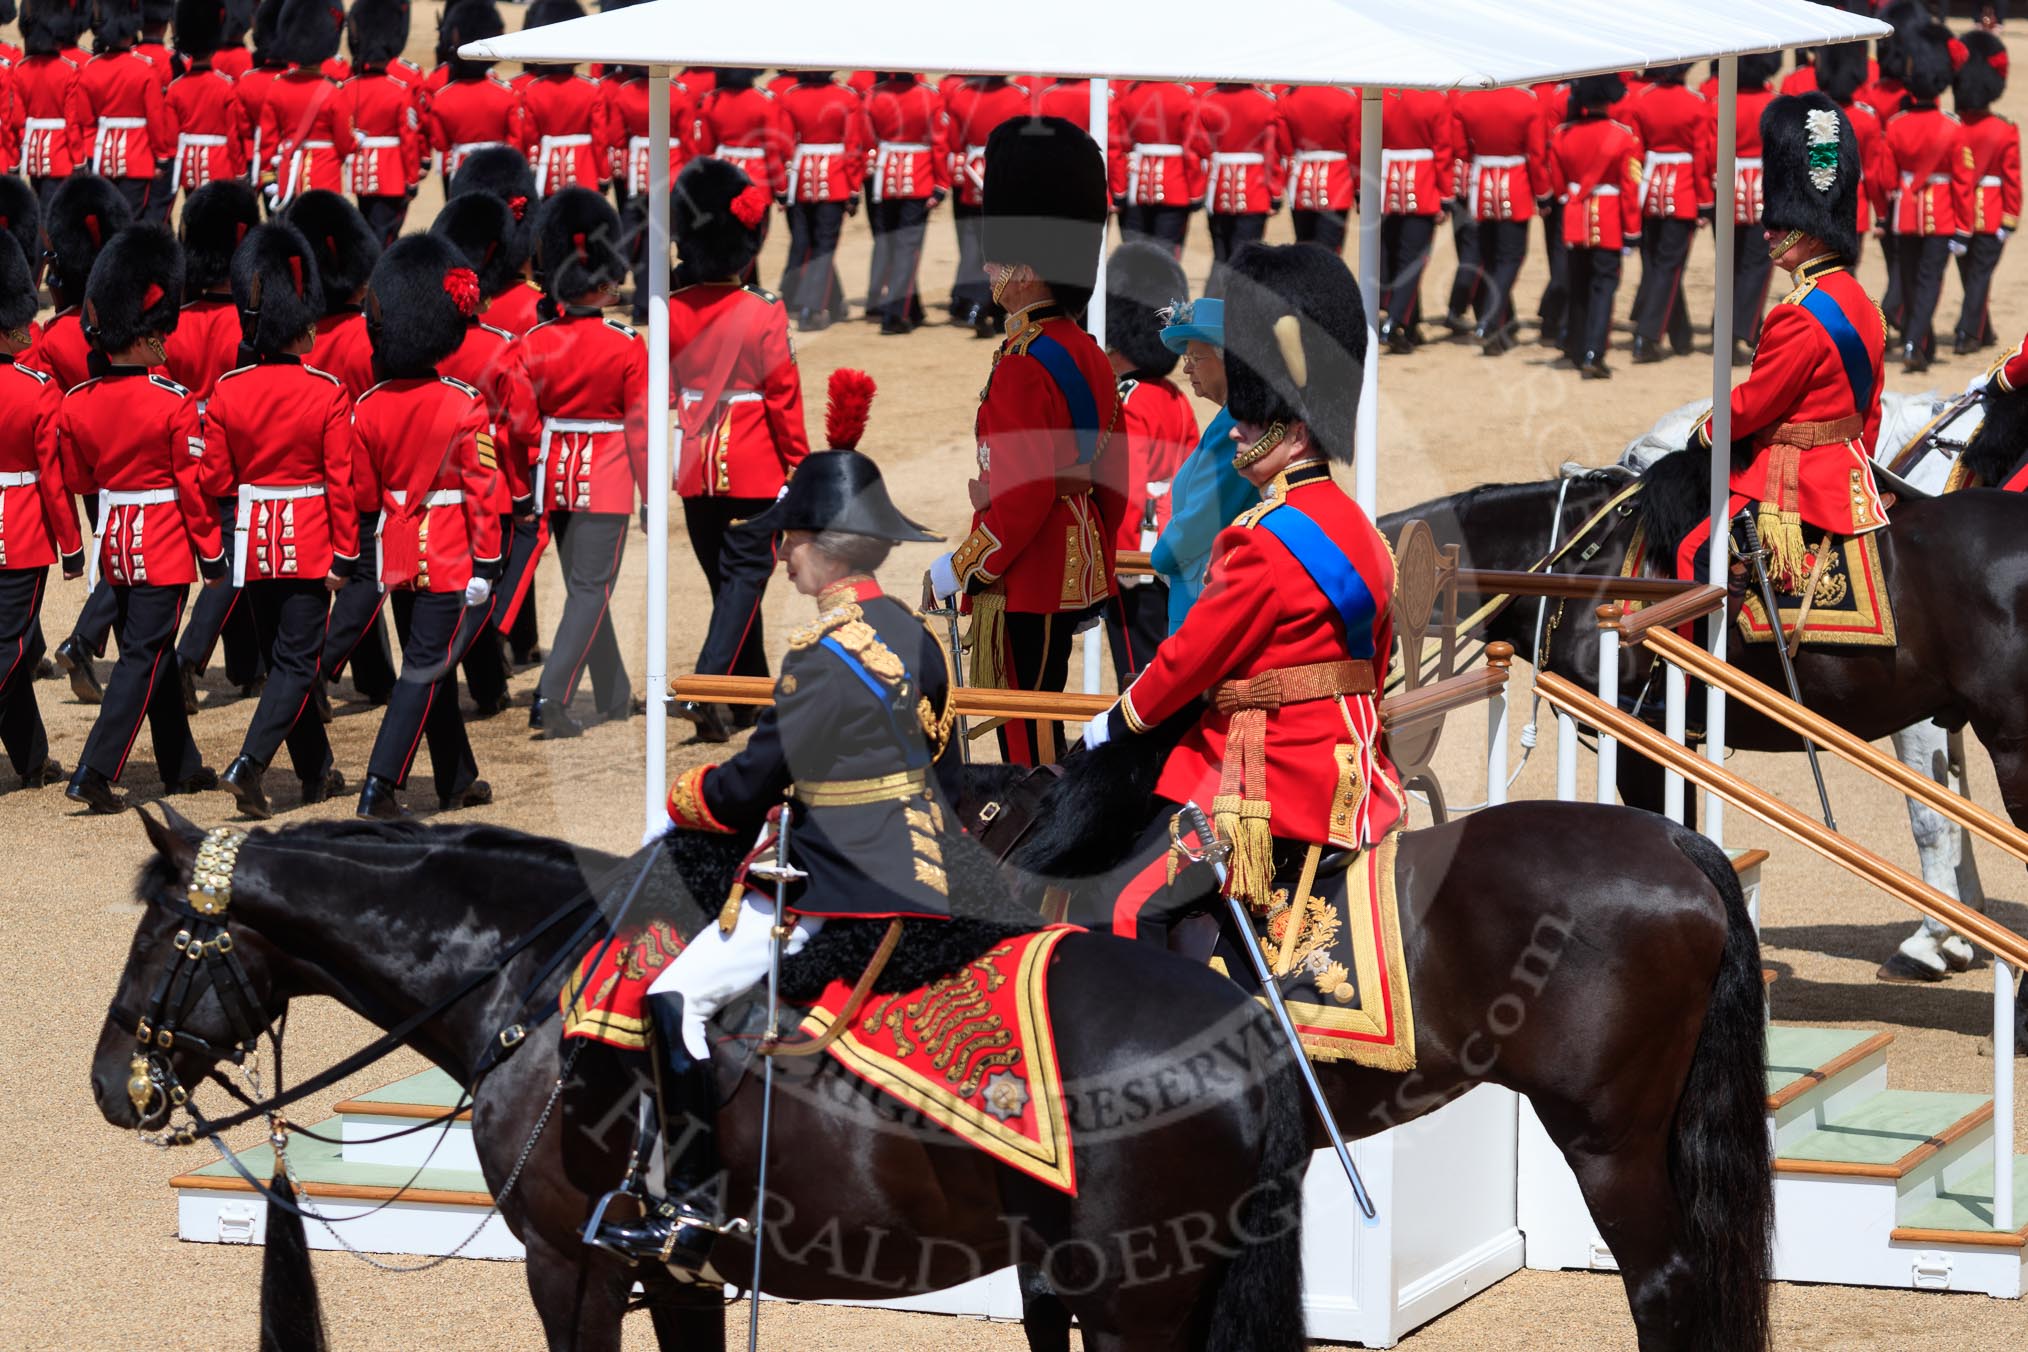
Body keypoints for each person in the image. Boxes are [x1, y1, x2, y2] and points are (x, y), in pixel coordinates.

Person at [586, 383, 958, 1270]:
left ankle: (692, 1207)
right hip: (930, 867)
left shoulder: (825, 654)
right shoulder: (914, 635)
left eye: (787, 539)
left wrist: (685, 793)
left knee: (671, 1000)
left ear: (817, 549)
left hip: (842, 885)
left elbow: (746, 787)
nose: (780, 555)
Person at [1083, 241, 1403, 946]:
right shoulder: (1358, 529)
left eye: (1251, 422)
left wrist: (1112, 721)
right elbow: (1373, 669)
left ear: (1287, 427)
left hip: (1270, 785)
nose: (1237, 431)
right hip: (1355, 769)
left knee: (1123, 908)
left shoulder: (1262, 539)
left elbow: (1186, 663)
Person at [927, 116, 1123, 767]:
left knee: (1024, 726)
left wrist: (959, 567)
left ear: (1030, 269)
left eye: (1000, 259)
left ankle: (1040, 837)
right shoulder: (1089, 352)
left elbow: (1022, 497)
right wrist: (1097, 544)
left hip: (1029, 569)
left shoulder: (1022, 363)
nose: (989, 269)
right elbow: (1113, 475)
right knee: (1042, 707)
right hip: (1076, 559)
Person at [1673, 92, 1886, 596]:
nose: (1770, 232)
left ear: (1810, 232)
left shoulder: (1797, 316)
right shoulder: (1863, 302)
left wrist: (1709, 427)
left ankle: (1695, 674)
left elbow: (1755, 404)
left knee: (1693, 550)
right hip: (1852, 472)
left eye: (1783, 225)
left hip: (1798, 481)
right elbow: (1870, 411)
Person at [61, 226, 226, 812]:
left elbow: (80, 480)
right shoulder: (173, 401)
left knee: (147, 650)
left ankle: (180, 763)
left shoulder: (78, 403)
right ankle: (95, 770)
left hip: (116, 544)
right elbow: (192, 487)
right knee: (142, 657)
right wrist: (211, 552)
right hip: (162, 544)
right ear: (143, 335)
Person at [351, 234, 503, 819]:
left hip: (397, 552)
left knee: (428, 663)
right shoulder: (463, 404)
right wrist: (488, 560)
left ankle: (456, 777)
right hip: (448, 555)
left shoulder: (368, 405)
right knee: (422, 669)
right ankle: (380, 784)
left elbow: (366, 494)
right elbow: (483, 492)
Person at [210, 222, 356, 818]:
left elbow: (218, 480)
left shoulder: (228, 389)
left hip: (253, 538)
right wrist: (346, 552)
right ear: (301, 325)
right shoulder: (327, 391)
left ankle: (317, 770)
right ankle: (249, 763)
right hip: (309, 536)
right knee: (299, 663)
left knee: (282, 661)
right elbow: (340, 483)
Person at [664, 157, 809, 744]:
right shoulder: (763, 308)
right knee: (742, 581)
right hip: (754, 465)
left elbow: (672, 388)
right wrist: (799, 466)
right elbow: (783, 396)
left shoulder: (670, 308)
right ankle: (707, 687)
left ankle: (749, 698)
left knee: (727, 585)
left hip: (697, 464)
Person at [507, 187, 647, 738]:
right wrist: (648, 493)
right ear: (605, 280)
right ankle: (552, 696)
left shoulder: (535, 341)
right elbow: (638, 428)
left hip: (554, 473)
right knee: (592, 589)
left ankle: (613, 694)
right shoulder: (625, 343)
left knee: (588, 588)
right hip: (606, 476)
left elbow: (521, 423)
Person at [433, 190, 535, 719]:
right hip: (489, 474)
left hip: (435, 470)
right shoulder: (499, 344)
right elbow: (518, 424)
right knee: (485, 579)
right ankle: (487, 681)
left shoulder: (427, 344)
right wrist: (522, 491)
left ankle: (485, 683)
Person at [166, 180, 265, 708]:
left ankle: (249, 667)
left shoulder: (175, 323)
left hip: (186, 448)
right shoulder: (245, 325)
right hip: (232, 450)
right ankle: (189, 657)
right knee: (235, 557)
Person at [39, 174, 134, 707]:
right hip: (129, 455)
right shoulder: (117, 325)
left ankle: (106, 651)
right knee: (135, 565)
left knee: (120, 557)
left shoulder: (53, 338)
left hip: (87, 465)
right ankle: (84, 640)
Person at [0, 204, 85, 791]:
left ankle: (31, 759)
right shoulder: (35, 392)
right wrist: (73, 545)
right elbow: (52, 479)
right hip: (23, 529)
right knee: (7, 648)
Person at [1100, 241, 1197, 683]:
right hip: (1175, 548)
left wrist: (1115, 559)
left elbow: (1126, 485)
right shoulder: (1174, 398)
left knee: (1138, 676)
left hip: (1135, 558)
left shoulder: (1130, 401)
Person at [1149, 297, 1252, 636]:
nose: (1187, 368)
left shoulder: (1233, 423)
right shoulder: (1228, 420)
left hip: (1206, 601)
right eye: (1185, 358)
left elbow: (1204, 516)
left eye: (1196, 357)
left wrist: (1159, 557)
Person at [1883, 21, 1970, 373]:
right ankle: (1912, 342)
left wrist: (1883, 210)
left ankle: (1921, 343)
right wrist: (1964, 227)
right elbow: (1963, 182)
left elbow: (1886, 176)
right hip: (1942, 211)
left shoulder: (1896, 123)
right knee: (1929, 281)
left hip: (1904, 211)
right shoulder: (1952, 126)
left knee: (1908, 279)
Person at [1548, 74, 1643, 379]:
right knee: (1604, 287)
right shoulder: (1624, 136)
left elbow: (1560, 184)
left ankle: (1576, 347)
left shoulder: (1562, 134)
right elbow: (1630, 187)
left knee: (1578, 286)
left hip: (1575, 217)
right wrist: (1633, 230)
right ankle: (1594, 351)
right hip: (1610, 219)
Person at [1450, 82, 1552, 355]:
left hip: (1481, 184)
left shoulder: (1466, 101)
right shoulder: (1527, 101)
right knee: (1510, 258)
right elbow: (1536, 154)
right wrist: (1543, 193)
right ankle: (1490, 319)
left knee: (1490, 258)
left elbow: (1461, 151)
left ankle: (1496, 328)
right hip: (1515, 185)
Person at [1621, 64, 1712, 363]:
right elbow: (1701, 156)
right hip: (1683, 190)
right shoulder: (1696, 102)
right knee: (1670, 267)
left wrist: (1636, 194)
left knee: (1657, 265)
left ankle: (1681, 335)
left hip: (1649, 188)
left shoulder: (1642, 98)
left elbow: (1635, 154)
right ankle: (1647, 336)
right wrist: (1704, 200)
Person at [66, 0, 176, 220]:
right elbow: (155, 120)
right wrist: (162, 158)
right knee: (129, 223)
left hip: (100, 158)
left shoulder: (90, 69)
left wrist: (89, 156)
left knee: (105, 222)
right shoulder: (145, 69)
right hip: (138, 159)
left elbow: (86, 122)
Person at [1709, 53, 1785, 365]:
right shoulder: (1777, 105)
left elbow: (1708, 149)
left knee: (1730, 262)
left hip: (1726, 187)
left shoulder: (1719, 101)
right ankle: (1738, 330)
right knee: (1756, 264)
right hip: (1763, 188)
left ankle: (1728, 325)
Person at [776, 71, 867, 331]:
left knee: (810, 243)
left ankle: (835, 303)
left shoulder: (791, 96)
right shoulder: (847, 97)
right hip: (835, 177)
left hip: (801, 177)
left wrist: (783, 185)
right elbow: (853, 145)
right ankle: (812, 308)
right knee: (824, 246)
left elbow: (785, 144)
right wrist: (853, 187)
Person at [862, 70, 947, 335]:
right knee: (908, 248)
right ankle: (895, 314)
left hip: (886, 175)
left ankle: (913, 308)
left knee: (894, 244)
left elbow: (867, 139)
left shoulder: (873, 95)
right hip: (919, 176)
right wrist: (941, 181)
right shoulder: (930, 96)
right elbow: (939, 143)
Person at [942, 74, 1026, 335]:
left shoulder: (962, 94)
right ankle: (995, 305)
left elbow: (954, 141)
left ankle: (974, 303)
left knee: (974, 243)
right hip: (1008, 172)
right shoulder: (1020, 96)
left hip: (973, 173)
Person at [338, 0, 425, 246]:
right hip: (391, 174)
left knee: (366, 231)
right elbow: (408, 139)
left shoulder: (347, 88)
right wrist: (412, 180)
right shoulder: (398, 91)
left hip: (360, 174)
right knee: (385, 236)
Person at [1377, 86, 1456, 353]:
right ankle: (1395, 322)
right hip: (1422, 185)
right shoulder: (1435, 99)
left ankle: (1410, 327)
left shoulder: (1382, 95)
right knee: (1412, 259)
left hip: (1385, 183)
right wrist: (1445, 194)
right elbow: (1443, 150)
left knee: (1393, 252)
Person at [254, 0, 356, 209]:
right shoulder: (334, 92)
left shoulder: (278, 87)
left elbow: (267, 140)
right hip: (325, 176)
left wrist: (268, 176)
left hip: (286, 176)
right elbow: (346, 145)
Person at [1952, 30, 2016, 353]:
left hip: (1955, 212)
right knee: (1978, 276)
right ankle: (1969, 333)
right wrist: (2011, 219)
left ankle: (1982, 329)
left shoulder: (1953, 126)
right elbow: (2012, 180)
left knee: (1971, 276)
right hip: (1991, 212)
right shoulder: (2004, 130)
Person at [423, 1, 525, 189]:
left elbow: (439, 142)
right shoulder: (506, 94)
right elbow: (515, 138)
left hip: (459, 169)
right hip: (499, 169)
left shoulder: (443, 97)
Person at [518, 0, 613, 199]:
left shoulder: (532, 91)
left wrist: (533, 171)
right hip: (586, 174)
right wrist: (604, 176)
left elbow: (530, 139)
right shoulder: (591, 90)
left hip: (546, 177)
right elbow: (600, 140)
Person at [1198, 81, 1288, 284]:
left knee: (1220, 256)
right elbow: (1272, 151)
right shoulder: (1266, 103)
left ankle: (1214, 309)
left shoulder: (1207, 100)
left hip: (1218, 185)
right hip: (1254, 189)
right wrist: (1274, 193)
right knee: (1247, 258)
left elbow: (1201, 146)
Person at [165, 0, 250, 203]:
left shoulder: (175, 88)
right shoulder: (226, 87)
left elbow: (170, 138)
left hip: (188, 167)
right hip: (220, 165)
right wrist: (240, 173)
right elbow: (233, 137)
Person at [1115, 77, 1206, 256]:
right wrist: (1196, 192)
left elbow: (1122, 144)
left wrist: (1120, 189)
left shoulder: (1130, 93)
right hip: (1175, 182)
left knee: (1135, 253)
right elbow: (1193, 148)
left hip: (1137, 181)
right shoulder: (1185, 96)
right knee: (1166, 253)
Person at [17, 0, 86, 211]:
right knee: (55, 216)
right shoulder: (68, 71)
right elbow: (72, 122)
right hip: (60, 156)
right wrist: (79, 161)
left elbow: (18, 121)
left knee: (40, 211)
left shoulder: (21, 70)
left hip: (33, 157)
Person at [1278, 82, 1358, 253]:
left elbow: (1285, 147)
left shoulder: (1287, 98)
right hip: (1337, 181)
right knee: (1330, 251)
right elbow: (1355, 149)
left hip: (1301, 179)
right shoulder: (1347, 99)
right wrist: (1359, 188)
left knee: (1303, 249)